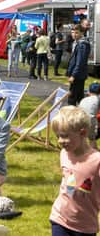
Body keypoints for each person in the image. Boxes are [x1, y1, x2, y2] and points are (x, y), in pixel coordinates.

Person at [49, 106, 100, 236]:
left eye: (65, 136)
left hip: (85, 224)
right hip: (59, 217)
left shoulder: (96, 160)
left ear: (82, 133)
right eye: (58, 136)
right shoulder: (64, 154)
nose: (60, 141)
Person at [67, 24, 91, 106]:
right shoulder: (77, 43)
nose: (74, 34)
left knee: (72, 98)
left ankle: (72, 117)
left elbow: (80, 62)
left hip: (78, 75)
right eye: (72, 32)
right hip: (78, 74)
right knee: (79, 97)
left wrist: (73, 75)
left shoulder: (82, 44)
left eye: (76, 32)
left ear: (82, 33)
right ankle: (81, 116)